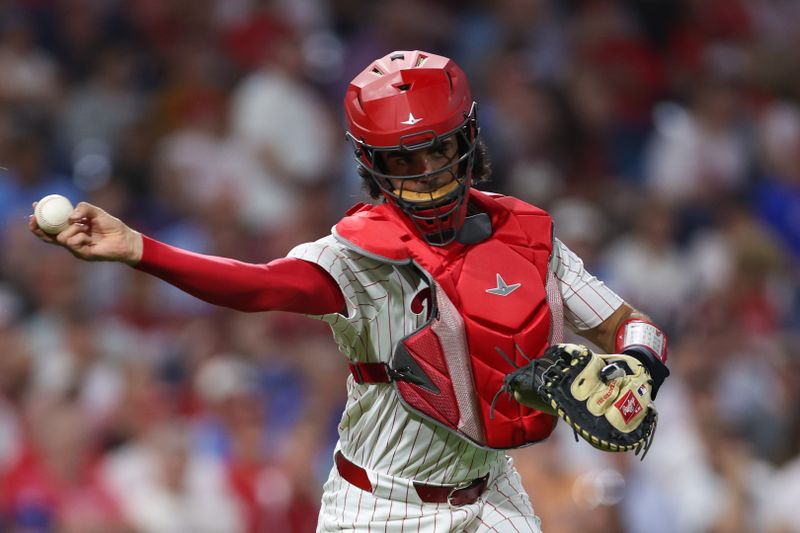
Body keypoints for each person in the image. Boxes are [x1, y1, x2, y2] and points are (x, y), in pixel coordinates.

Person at [30, 50, 669, 532]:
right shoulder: (357, 257)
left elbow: (633, 325)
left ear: (467, 136)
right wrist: (142, 249)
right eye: (401, 159)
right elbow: (259, 288)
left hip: (491, 493)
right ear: (370, 165)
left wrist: (638, 364)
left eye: (435, 149)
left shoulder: (524, 236)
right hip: (381, 508)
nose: (424, 174)